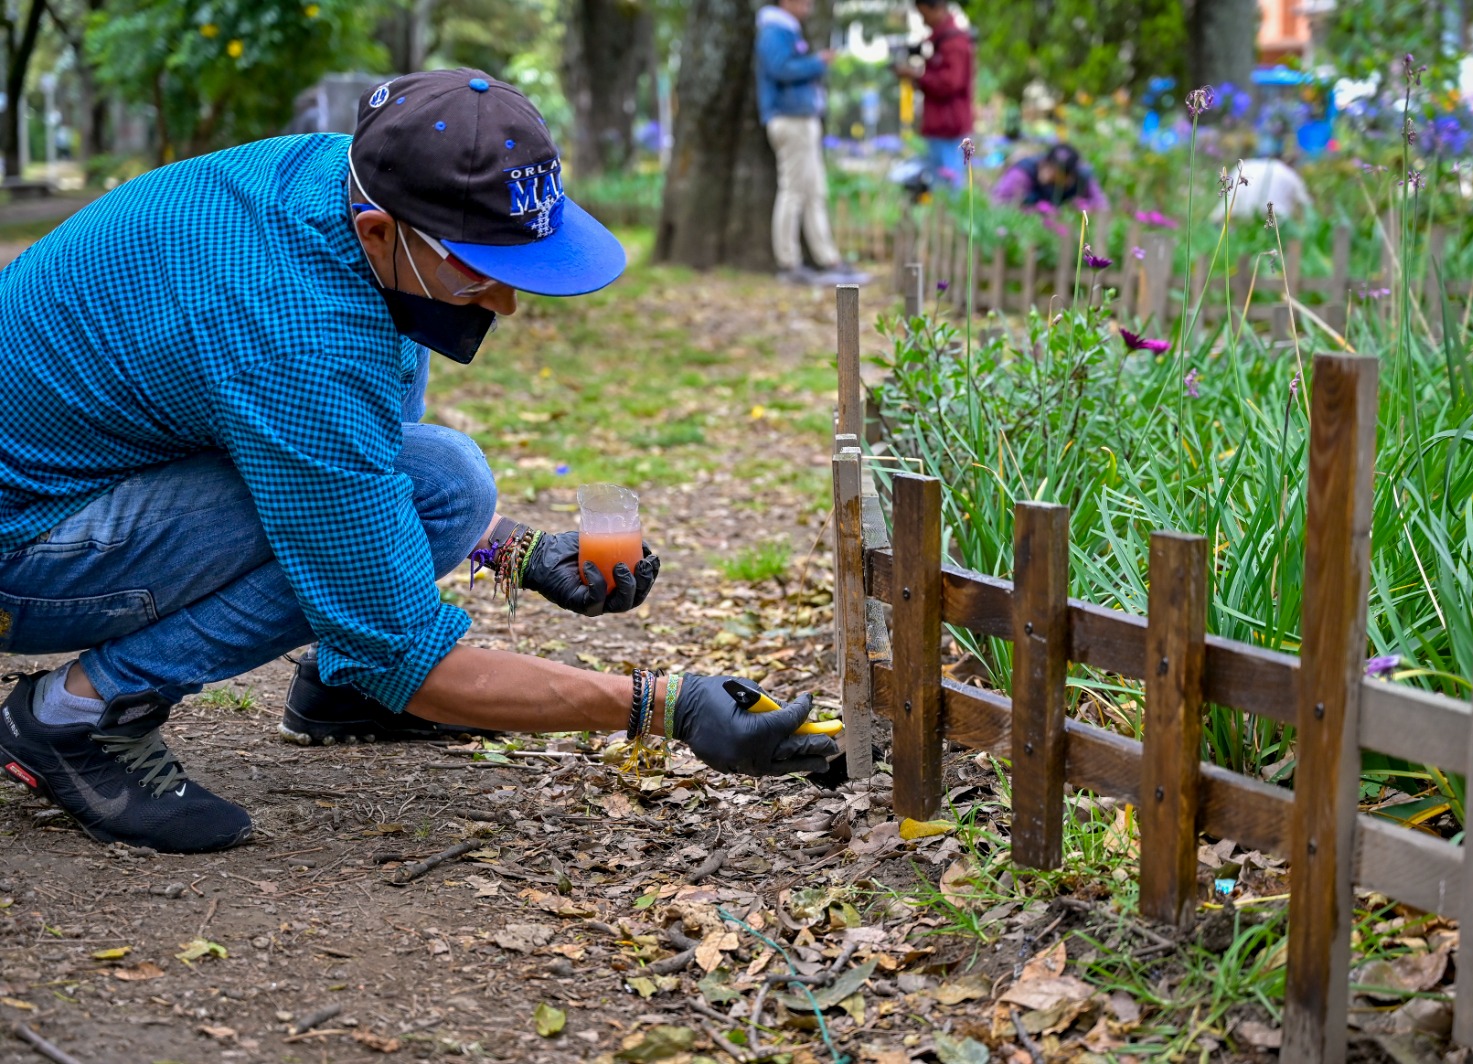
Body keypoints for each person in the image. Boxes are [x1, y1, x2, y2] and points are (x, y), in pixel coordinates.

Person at [0, 69, 839, 855]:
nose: (508, 302)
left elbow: (365, 476)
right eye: (484, 272)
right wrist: (670, 707)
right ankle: (78, 714)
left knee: (439, 477)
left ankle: (341, 681)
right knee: (438, 484)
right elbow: (401, 628)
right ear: (378, 230)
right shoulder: (300, 337)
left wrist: (515, 552)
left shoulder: (357, 189)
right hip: (30, 550)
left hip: (112, 478)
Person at [754, 0, 868, 285]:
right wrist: (817, 63)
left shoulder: (786, 30)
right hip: (790, 119)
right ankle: (789, 262)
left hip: (803, 119)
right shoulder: (773, 30)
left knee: (814, 190)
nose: (809, 5)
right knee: (792, 191)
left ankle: (827, 257)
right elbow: (780, 68)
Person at [894, 0, 974, 187]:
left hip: (949, 126)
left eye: (923, 15)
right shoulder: (940, 41)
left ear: (937, 8)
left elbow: (950, 83)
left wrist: (917, 75)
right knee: (940, 185)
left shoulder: (954, 42)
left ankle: (951, 217)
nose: (923, 21)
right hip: (939, 125)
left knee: (949, 186)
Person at [990, 142, 1108, 213]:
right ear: (1045, 162)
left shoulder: (1082, 176)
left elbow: (1102, 206)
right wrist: (1032, 211)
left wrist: (1081, 208)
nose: (1050, 174)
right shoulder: (1022, 173)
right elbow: (998, 203)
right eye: (1051, 169)